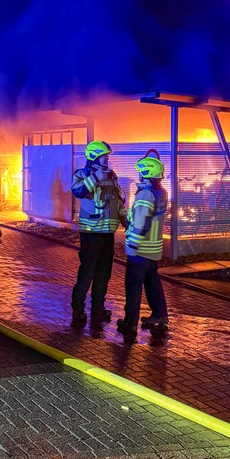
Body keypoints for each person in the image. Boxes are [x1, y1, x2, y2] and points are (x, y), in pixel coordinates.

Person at [70, 140, 127, 327]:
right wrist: (96, 177)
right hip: (91, 233)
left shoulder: (112, 176)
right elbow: (78, 191)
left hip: (107, 233)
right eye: (104, 155)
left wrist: (127, 223)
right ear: (94, 156)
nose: (107, 159)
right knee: (87, 272)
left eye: (108, 156)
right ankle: (78, 309)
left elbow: (119, 202)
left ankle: (98, 308)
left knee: (104, 273)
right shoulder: (82, 174)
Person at [117, 151, 169, 344]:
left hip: (140, 249)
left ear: (146, 173)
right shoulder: (161, 191)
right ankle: (160, 316)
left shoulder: (146, 194)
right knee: (153, 283)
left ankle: (129, 323)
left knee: (133, 286)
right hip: (154, 249)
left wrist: (132, 244)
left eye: (140, 172)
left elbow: (140, 221)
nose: (138, 175)